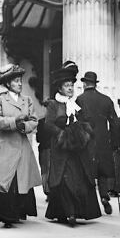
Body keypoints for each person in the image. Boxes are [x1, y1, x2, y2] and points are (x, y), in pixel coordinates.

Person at [44, 60, 101, 226]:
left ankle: (76, 211)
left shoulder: (77, 103)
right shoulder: (54, 104)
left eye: (71, 85)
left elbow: (87, 121)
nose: (70, 88)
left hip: (77, 150)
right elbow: (48, 124)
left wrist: (84, 132)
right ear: (60, 88)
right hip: (61, 150)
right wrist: (62, 134)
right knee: (63, 181)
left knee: (78, 180)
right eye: (66, 85)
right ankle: (67, 213)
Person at [0, 64, 41, 227]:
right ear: (8, 83)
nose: (19, 84)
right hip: (5, 145)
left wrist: (25, 127)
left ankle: (18, 211)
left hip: (22, 145)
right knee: (5, 179)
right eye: (16, 81)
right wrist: (14, 122)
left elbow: (34, 120)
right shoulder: (0, 100)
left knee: (21, 179)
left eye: (20, 81)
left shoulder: (27, 100)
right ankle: (5, 215)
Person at [76, 70, 118, 215]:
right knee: (102, 172)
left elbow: (76, 122)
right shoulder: (106, 100)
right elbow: (115, 123)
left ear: (85, 83)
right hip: (103, 140)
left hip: (86, 140)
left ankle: (88, 202)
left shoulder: (79, 99)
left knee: (86, 171)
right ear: (95, 84)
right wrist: (115, 142)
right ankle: (104, 196)